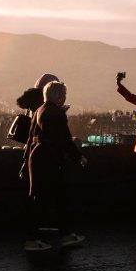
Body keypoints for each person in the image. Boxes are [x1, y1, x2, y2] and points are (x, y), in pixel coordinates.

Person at [23, 81, 87, 251]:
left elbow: (30, 139)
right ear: (58, 96)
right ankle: (37, 239)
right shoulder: (55, 113)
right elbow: (65, 139)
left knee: (42, 198)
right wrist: (79, 156)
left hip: (37, 158)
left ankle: (55, 236)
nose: (65, 98)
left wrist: (24, 163)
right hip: (49, 160)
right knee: (55, 198)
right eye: (64, 94)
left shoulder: (39, 111)